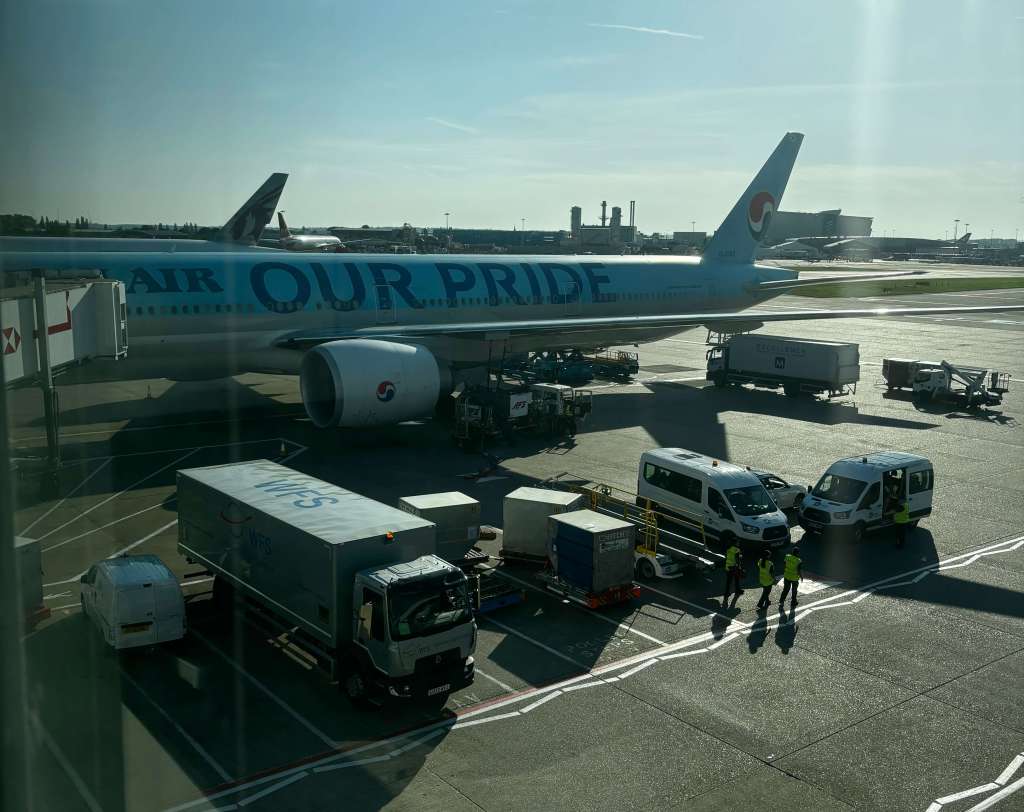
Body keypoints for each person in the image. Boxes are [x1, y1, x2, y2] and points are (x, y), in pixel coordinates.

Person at [723, 539, 743, 608]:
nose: (739, 543)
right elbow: (737, 560)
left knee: (728, 582)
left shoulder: (728, 548)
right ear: (735, 543)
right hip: (734, 567)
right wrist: (739, 567)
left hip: (728, 567)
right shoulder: (736, 550)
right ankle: (737, 591)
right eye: (738, 542)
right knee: (737, 580)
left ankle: (726, 594)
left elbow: (727, 556)